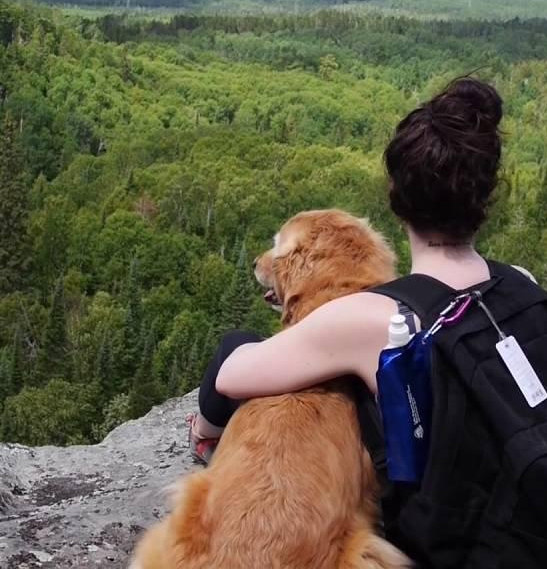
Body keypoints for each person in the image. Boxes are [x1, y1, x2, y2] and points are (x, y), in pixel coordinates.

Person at [186, 75, 510, 462]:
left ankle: (203, 439)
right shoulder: (519, 285)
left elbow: (230, 376)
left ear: (396, 197)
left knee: (236, 342)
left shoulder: (375, 317)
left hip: (441, 514)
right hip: (524, 492)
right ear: (486, 198)